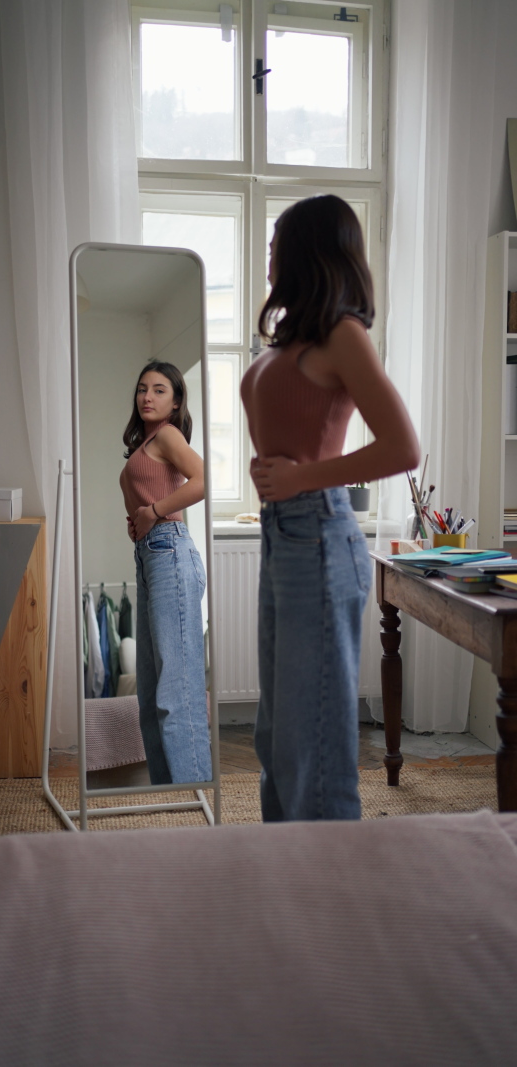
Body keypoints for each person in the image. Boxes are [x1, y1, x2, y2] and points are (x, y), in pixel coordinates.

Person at [241, 195, 420, 822]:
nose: (268, 253)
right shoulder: (295, 337)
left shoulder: (344, 332)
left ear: (307, 251)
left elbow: (404, 447)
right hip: (284, 536)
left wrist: (301, 478)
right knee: (276, 738)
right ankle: (282, 882)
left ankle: (327, 899)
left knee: (310, 746)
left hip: (318, 536)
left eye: (277, 242)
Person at [119, 360, 212, 784]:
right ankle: (164, 798)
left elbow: (203, 479)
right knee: (150, 697)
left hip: (170, 554)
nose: (147, 396)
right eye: (142, 389)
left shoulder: (168, 435)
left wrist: (153, 512)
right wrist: (141, 519)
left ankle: (193, 798)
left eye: (159, 390)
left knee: (177, 694)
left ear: (175, 403)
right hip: (151, 557)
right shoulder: (147, 444)